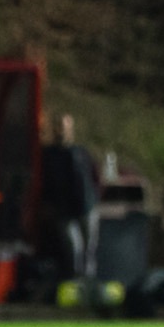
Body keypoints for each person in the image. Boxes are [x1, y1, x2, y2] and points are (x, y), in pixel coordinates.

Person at [39, 113, 99, 283]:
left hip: (86, 206)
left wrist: (95, 197)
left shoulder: (80, 153)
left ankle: (88, 281)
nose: (62, 131)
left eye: (65, 127)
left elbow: (94, 176)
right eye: (59, 127)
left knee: (89, 248)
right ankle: (75, 281)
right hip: (64, 209)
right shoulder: (49, 155)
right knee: (74, 248)